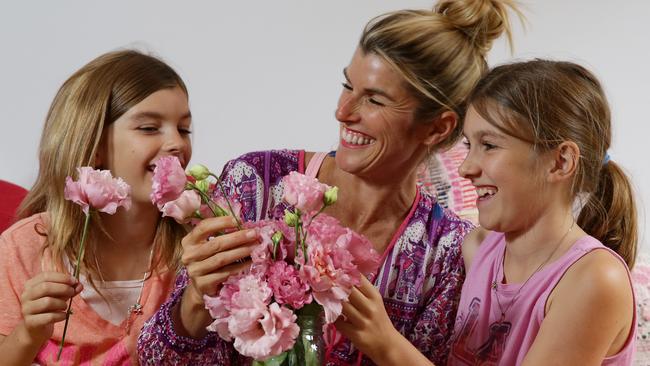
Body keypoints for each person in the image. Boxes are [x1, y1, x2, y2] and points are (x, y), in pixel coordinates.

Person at [137, 1, 521, 365]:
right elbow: (152, 358)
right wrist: (192, 302)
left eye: (374, 100)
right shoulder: (254, 184)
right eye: (347, 85)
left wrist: (387, 347)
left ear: (438, 127)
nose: (343, 111)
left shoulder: (450, 255)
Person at [0, 49, 216, 365]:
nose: (177, 144)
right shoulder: (24, 248)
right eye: (149, 128)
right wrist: (29, 334)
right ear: (95, 146)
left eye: (183, 129)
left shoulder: (196, 243)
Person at [448, 60, 637, 365]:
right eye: (469, 145)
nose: (466, 167)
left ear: (560, 162)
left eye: (489, 145)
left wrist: (385, 344)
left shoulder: (597, 280)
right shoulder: (479, 249)